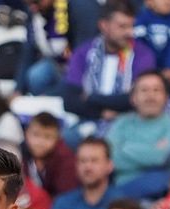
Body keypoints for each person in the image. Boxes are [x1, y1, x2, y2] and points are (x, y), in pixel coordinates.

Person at [63, 1, 157, 130]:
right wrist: (101, 113)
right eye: (122, 26)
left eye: (131, 26)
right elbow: (70, 101)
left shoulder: (143, 54)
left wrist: (91, 98)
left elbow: (136, 100)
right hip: (88, 121)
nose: (129, 32)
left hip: (128, 125)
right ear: (104, 25)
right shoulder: (83, 52)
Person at [104, 71, 170, 199]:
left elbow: (163, 157)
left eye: (156, 90)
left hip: (161, 196)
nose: (151, 96)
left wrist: (125, 148)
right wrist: (153, 149)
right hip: (122, 196)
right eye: (144, 90)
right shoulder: (120, 124)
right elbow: (109, 159)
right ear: (133, 98)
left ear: (166, 97)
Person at [22, 112, 78, 200]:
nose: (40, 142)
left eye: (47, 137)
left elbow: (64, 198)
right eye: (36, 134)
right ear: (26, 134)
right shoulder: (20, 153)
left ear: (57, 139)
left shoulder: (66, 160)